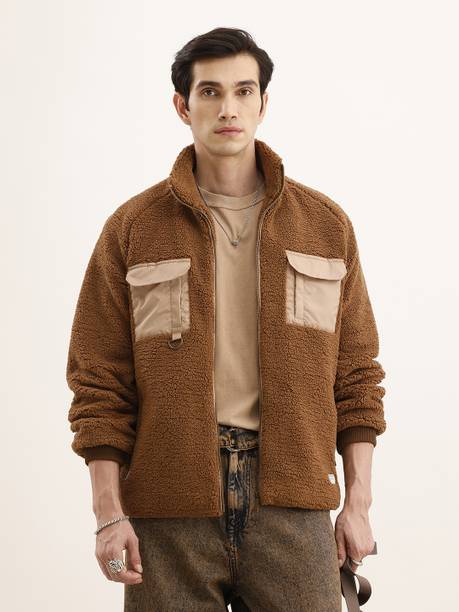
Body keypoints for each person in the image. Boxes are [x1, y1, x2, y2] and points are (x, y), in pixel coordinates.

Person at [66, 26, 386, 611]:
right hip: (170, 510)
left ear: (264, 103)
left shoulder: (325, 226)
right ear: (182, 106)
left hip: (294, 503)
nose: (228, 109)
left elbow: (357, 378)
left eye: (243, 91)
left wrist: (357, 505)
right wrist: (108, 514)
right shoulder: (132, 230)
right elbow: (99, 383)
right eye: (210, 92)